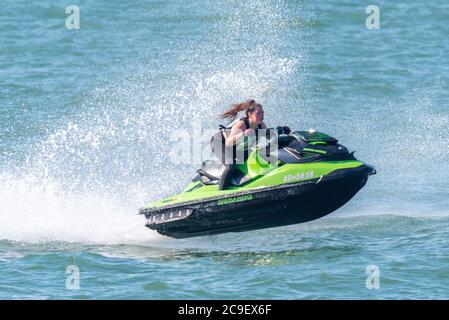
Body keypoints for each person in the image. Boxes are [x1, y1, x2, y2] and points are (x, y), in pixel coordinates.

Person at [216, 99, 290, 190]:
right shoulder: (241, 125)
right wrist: (242, 134)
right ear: (250, 114)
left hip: (236, 148)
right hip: (220, 143)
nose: (262, 116)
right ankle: (221, 192)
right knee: (231, 164)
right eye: (258, 113)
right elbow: (228, 142)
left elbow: (268, 137)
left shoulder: (261, 126)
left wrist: (281, 130)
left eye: (262, 113)